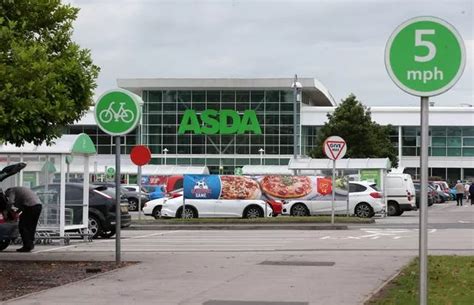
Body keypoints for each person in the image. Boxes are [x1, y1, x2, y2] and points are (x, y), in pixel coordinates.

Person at [5, 187, 42, 252]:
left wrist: (7, 210)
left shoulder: (11, 190)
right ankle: (30, 244)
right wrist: (16, 213)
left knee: (22, 226)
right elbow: (21, 208)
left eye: (7, 196)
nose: (8, 197)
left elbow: (10, 202)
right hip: (38, 206)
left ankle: (27, 246)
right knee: (31, 227)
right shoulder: (20, 191)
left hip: (30, 206)